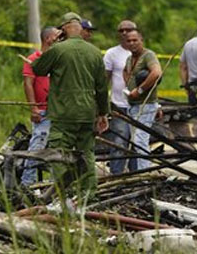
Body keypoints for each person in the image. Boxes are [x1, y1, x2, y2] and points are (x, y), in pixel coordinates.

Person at [30, 12, 109, 203]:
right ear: (80, 29)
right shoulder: (95, 52)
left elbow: (37, 69)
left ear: (63, 29)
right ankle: (88, 196)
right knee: (87, 154)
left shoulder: (58, 50)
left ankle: (61, 195)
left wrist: (50, 45)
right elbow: (101, 87)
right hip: (87, 113)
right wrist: (103, 113)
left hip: (63, 113)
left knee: (60, 154)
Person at [21, 26, 60, 186]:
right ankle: (27, 182)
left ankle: (53, 185)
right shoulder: (34, 59)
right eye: (57, 36)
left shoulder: (59, 60)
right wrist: (34, 108)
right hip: (42, 111)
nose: (60, 39)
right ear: (48, 38)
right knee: (37, 146)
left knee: (57, 149)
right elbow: (28, 84)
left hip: (58, 112)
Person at [122, 30, 163, 172]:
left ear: (141, 41)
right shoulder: (129, 59)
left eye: (135, 40)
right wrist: (128, 85)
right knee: (135, 141)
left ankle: (145, 173)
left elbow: (156, 73)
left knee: (140, 140)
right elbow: (125, 71)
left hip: (145, 105)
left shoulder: (148, 55)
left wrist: (139, 90)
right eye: (129, 41)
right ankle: (139, 171)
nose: (132, 43)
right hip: (133, 105)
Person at [103, 20, 135, 175]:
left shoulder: (143, 53)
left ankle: (137, 174)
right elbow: (105, 80)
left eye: (128, 29)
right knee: (119, 141)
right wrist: (102, 105)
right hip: (119, 105)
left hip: (138, 106)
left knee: (137, 142)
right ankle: (116, 175)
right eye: (121, 30)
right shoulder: (112, 53)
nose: (124, 33)